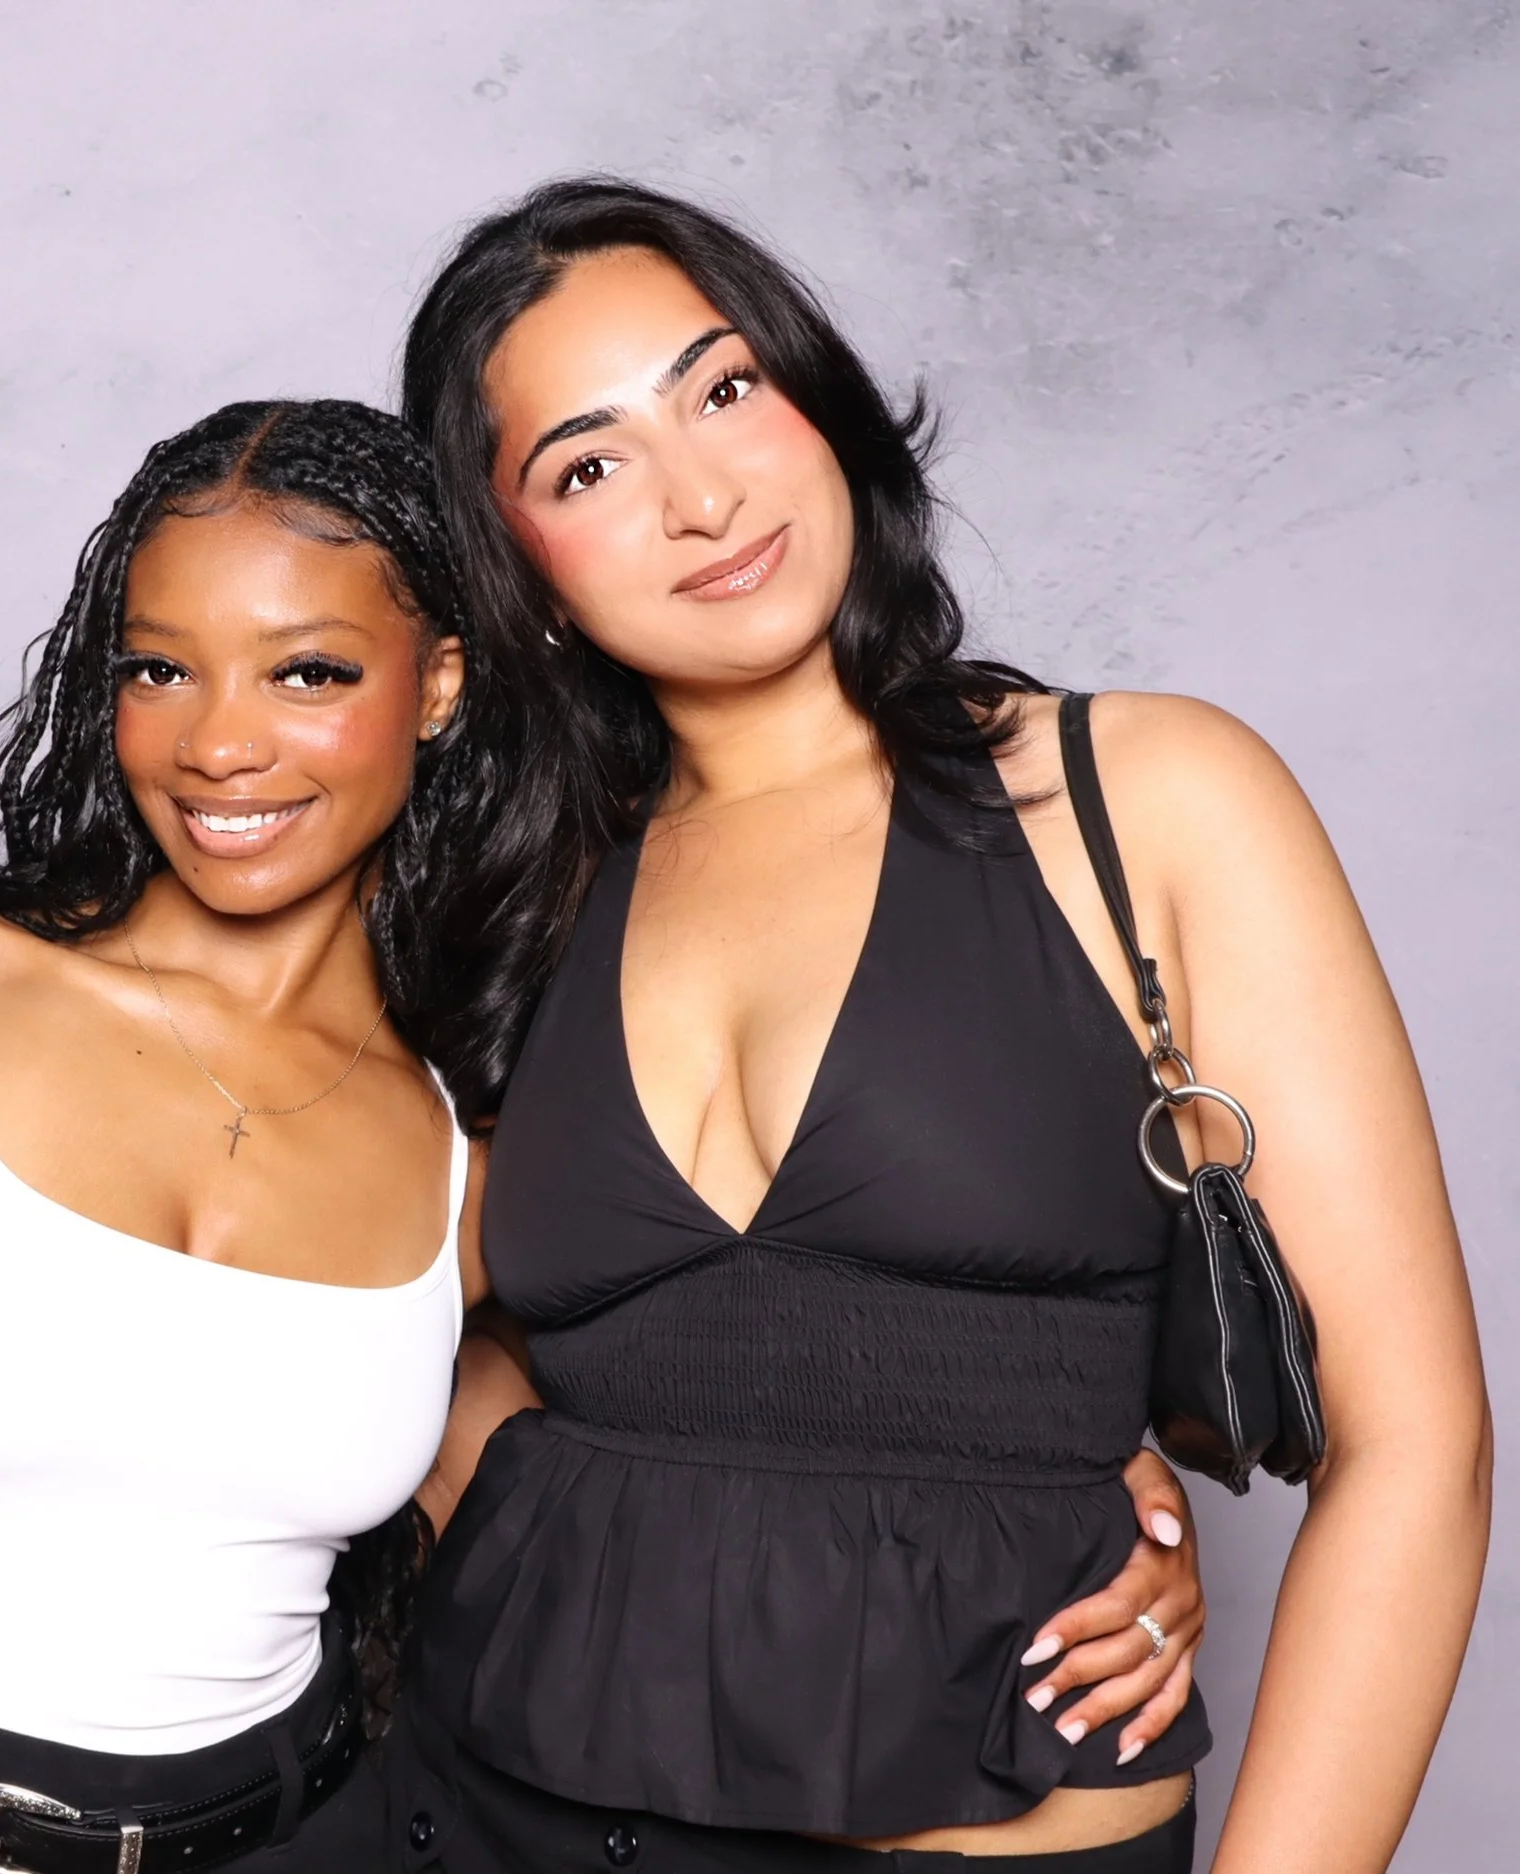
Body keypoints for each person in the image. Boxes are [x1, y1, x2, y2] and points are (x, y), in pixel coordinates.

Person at [0, 394, 1203, 1874]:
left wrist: (1077, 1486)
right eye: (161, 669)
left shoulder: (468, 1122)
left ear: (443, 685)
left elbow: (701, 1401)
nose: (219, 745)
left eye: (308, 671)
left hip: (331, 1828)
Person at [389, 177, 1492, 1873]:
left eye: (727, 387)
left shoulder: (1143, 802)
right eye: (589, 466)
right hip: (505, 1810)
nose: (703, 494)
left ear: (815, 399)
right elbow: (368, 1333)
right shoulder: (520, 898)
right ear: (517, 573)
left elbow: (1419, 1452)